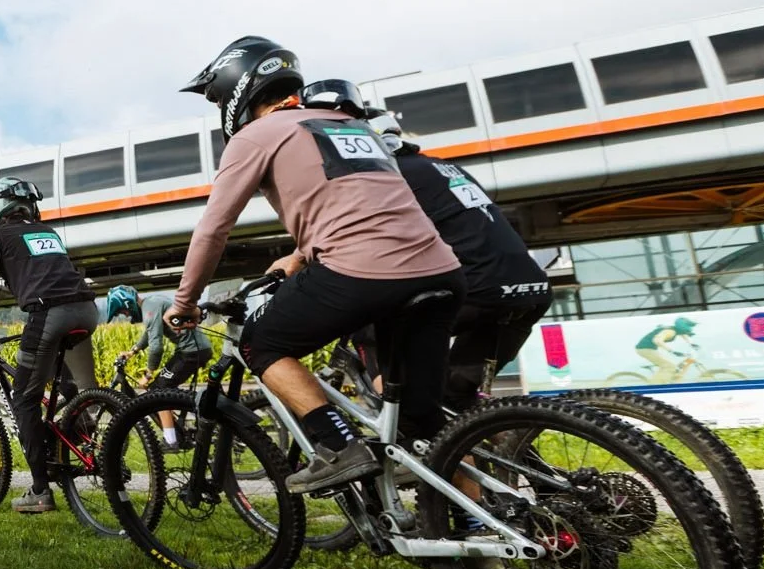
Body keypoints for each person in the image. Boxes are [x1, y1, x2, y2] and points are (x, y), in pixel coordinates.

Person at [167, 40, 465, 494]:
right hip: (442, 270)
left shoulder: (257, 135)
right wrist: (302, 254)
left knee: (261, 343)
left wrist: (185, 302)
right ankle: (482, 530)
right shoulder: (353, 126)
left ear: (235, 88)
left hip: (362, 273)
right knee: (427, 429)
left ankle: (339, 446)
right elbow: (365, 205)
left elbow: (213, 229)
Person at [357, 109, 553, 407]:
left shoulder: (387, 176)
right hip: (530, 290)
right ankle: (496, 434)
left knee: (367, 328)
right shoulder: (443, 167)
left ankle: (398, 418)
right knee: (455, 401)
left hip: (476, 291)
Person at [0, 177, 98, 514]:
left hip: (49, 314)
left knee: (24, 399)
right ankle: (78, 425)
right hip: (86, 310)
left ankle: (40, 491)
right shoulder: (48, 233)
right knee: (58, 377)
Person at [109, 283, 211, 447]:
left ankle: (171, 441)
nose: (126, 315)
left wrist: (149, 373)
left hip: (191, 351)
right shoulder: (152, 302)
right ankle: (180, 427)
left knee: (158, 390)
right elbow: (149, 333)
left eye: (123, 311)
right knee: (165, 389)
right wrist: (132, 351)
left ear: (128, 303)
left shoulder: (149, 309)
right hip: (196, 350)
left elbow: (156, 346)